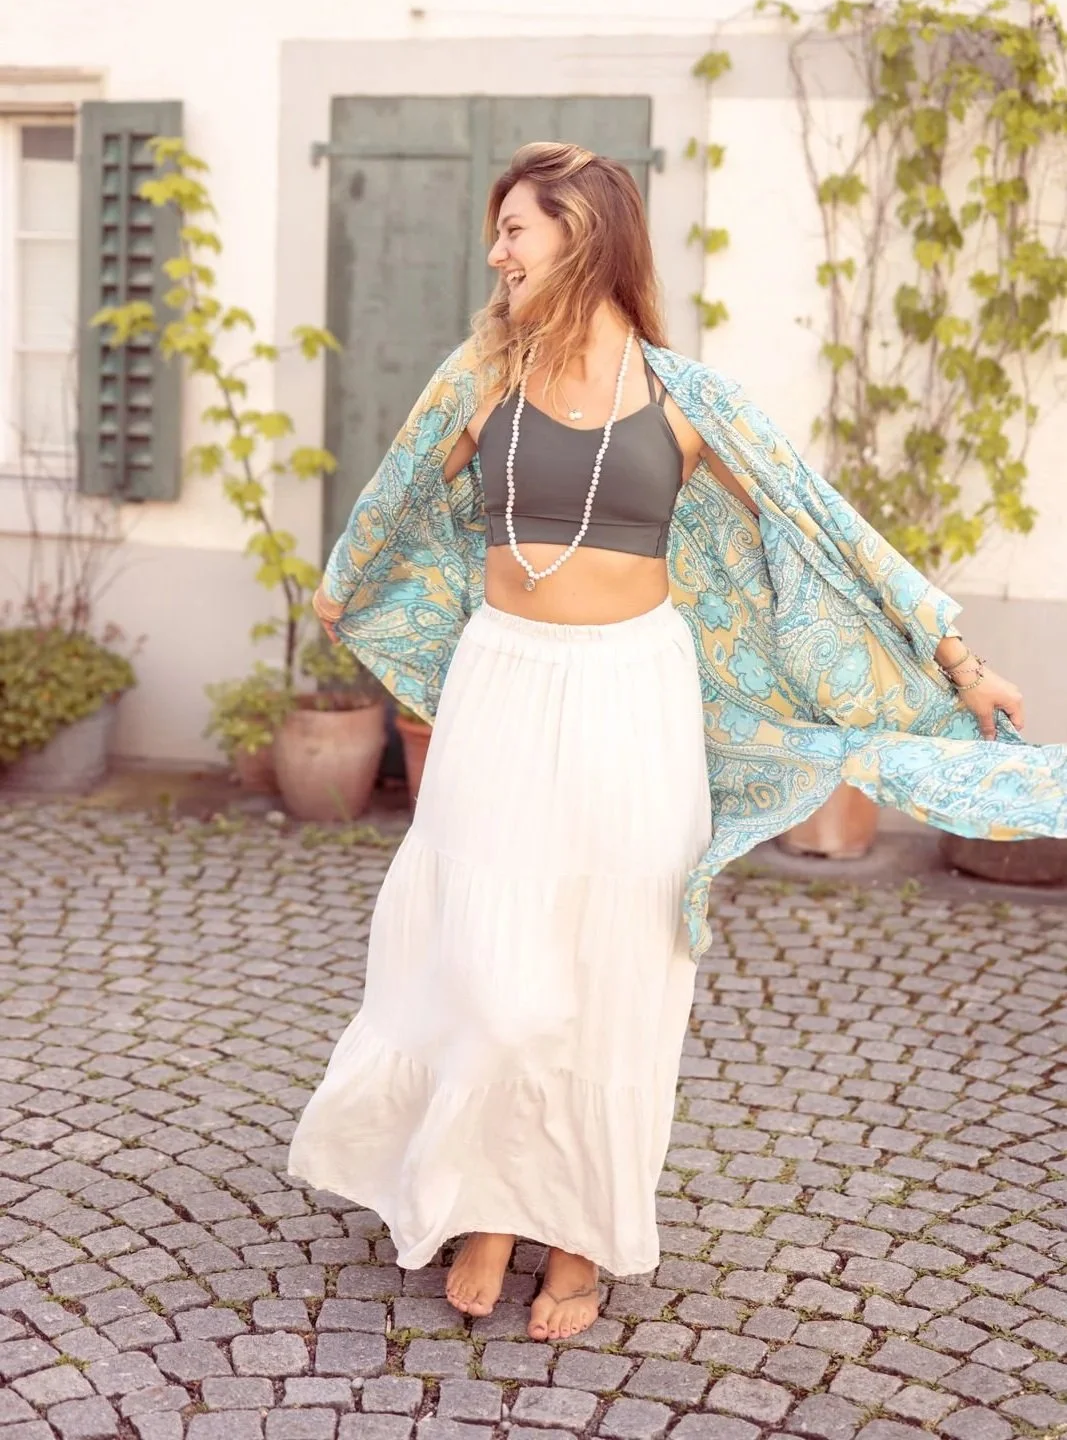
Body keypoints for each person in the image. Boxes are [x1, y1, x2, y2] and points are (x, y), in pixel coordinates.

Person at [288, 142, 1065, 1344]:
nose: (495, 252)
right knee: (489, 960)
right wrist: (348, 588)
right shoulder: (479, 377)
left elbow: (823, 529)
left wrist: (956, 660)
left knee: (614, 965)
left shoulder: (687, 399)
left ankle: (578, 1238)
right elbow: (394, 500)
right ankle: (484, 1202)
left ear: (582, 237)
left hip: (632, 697)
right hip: (501, 688)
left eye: (515, 229)